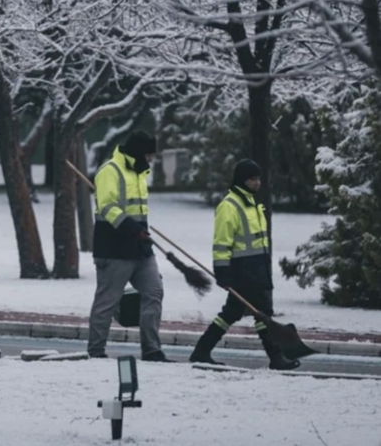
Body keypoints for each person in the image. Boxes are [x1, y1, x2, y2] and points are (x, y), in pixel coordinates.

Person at [189, 159, 300, 370]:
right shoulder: (229, 206)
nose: (257, 182)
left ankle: (201, 351)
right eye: (252, 179)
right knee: (262, 312)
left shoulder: (253, 204)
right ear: (242, 180)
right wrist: (222, 272)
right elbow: (221, 243)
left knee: (232, 313)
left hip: (256, 268)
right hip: (242, 271)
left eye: (258, 178)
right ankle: (275, 357)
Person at [87, 130, 170, 362]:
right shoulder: (109, 171)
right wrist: (133, 228)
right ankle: (96, 351)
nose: (151, 159)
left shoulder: (139, 172)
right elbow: (107, 207)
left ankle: (152, 350)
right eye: (149, 154)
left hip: (141, 248)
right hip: (113, 248)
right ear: (138, 152)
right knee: (107, 301)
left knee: (154, 292)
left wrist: (140, 231)